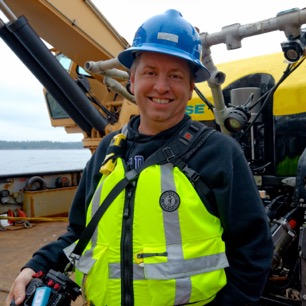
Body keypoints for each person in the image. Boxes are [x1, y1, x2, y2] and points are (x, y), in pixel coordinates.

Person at [6, 9, 273, 306]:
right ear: (132, 80)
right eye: (150, 73)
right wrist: (34, 266)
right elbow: (80, 233)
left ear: (189, 87)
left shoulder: (218, 153)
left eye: (175, 75)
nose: (161, 86)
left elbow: (254, 250)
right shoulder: (108, 150)